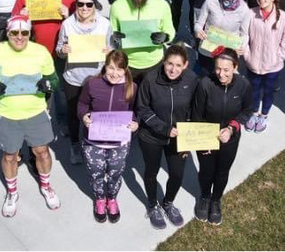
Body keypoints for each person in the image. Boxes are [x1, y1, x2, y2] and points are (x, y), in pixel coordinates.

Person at [0, 15, 60, 216]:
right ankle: (12, 192)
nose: (19, 37)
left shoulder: (40, 52)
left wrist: (48, 85)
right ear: (7, 33)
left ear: (29, 33)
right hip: (8, 113)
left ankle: (46, 186)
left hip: (36, 111)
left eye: (24, 32)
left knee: (42, 151)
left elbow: (54, 80)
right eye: (14, 32)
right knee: (10, 156)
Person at [12, 0, 76, 138]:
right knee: (37, 87)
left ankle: (63, 121)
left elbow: (83, 23)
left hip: (61, 51)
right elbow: (12, 23)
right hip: (35, 53)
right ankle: (38, 120)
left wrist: (69, 15)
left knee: (61, 90)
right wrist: (21, 17)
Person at [136, 44, 198, 229]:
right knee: (151, 171)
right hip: (151, 136)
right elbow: (142, 108)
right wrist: (164, 128)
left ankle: (168, 203)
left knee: (177, 174)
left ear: (185, 65)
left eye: (178, 65)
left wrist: (189, 136)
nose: (173, 69)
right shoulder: (150, 79)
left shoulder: (192, 79)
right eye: (170, 64)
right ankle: (152, 205)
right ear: (163, 62)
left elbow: (195, 108)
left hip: (179, 137)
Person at [192, 47, 253, 226]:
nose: (221, 74)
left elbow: (247, 111)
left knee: (222, 171)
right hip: (206, 137)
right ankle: (205, 197)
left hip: (230, 138)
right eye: (218, 68)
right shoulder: (205, 84)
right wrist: (202, 141)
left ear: (235, 67)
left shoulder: (244, 85)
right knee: (206, 171)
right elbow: (196, 116)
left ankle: (216, 200)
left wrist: (232, 128)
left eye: (226, 69)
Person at [78, 50, 138, 223]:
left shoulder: (132, 87)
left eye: (119, 69)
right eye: (111, 67)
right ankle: (100, 199)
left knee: (115, 173)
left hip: (119, 143)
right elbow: (82, 104)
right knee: (95, 174)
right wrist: (83, 116)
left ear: (126, 69)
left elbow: (136, 110)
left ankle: (111, 199)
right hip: (93, 141)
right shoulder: (92, 84)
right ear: (105, 66)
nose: (114, 73)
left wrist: (135, 123)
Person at [56, 0, 112, 164]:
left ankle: (95, 145)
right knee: (74, 114)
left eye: (89, 4)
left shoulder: (105, 24)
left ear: (95, 6)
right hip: (73, 78)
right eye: (81, 4)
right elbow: (58, 50)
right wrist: (63, 50)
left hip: (97, 78)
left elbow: (112, 47)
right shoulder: (67, 24)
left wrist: (110, 51)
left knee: (97, 113)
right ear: (76, 6)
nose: (85, 8)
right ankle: (75, 145)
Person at [109, 0, 175, 85]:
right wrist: (114, 37)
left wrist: (165, 37)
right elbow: (111, 31)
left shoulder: (162, 5)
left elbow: (170, 29)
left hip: (154, 62)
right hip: (127, 63)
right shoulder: (117, 6)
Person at [244, 0, 285, 133]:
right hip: (253, 64)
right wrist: (247, 55)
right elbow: (244, 36)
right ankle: (254, 113)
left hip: (273, 66)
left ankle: (264, 115)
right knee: (254, 91)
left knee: (268, 92)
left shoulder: (283, 17)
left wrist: (279, 57)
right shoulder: (250, 14)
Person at [195, 0, 250, 76]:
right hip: (208, 50)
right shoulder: (211, 1)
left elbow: (244, 34)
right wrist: (198, 30)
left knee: (223, 80)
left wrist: (242, 46)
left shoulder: (243, 9)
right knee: (205, 79)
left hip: (228, 54)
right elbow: (198, 23)